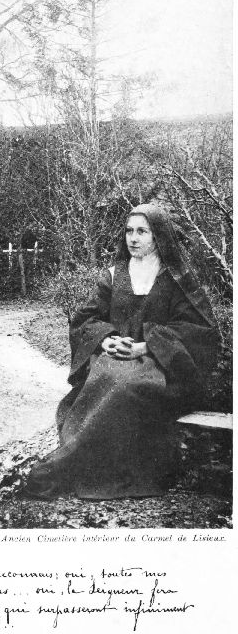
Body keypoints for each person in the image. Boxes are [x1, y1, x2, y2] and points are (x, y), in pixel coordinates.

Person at [25, 203, 219, 500]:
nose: (133, 238)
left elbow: (198, 331)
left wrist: (147, 345)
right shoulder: (115, 275)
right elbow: (86, 318)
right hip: (115, 358)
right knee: (104, 378)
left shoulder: (176, 279)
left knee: (126, 386)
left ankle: (63, 466)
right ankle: (72, 460)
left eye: (142, 231)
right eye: (129, 231)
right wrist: (106, 341)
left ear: (158, 237)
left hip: (161, 366)